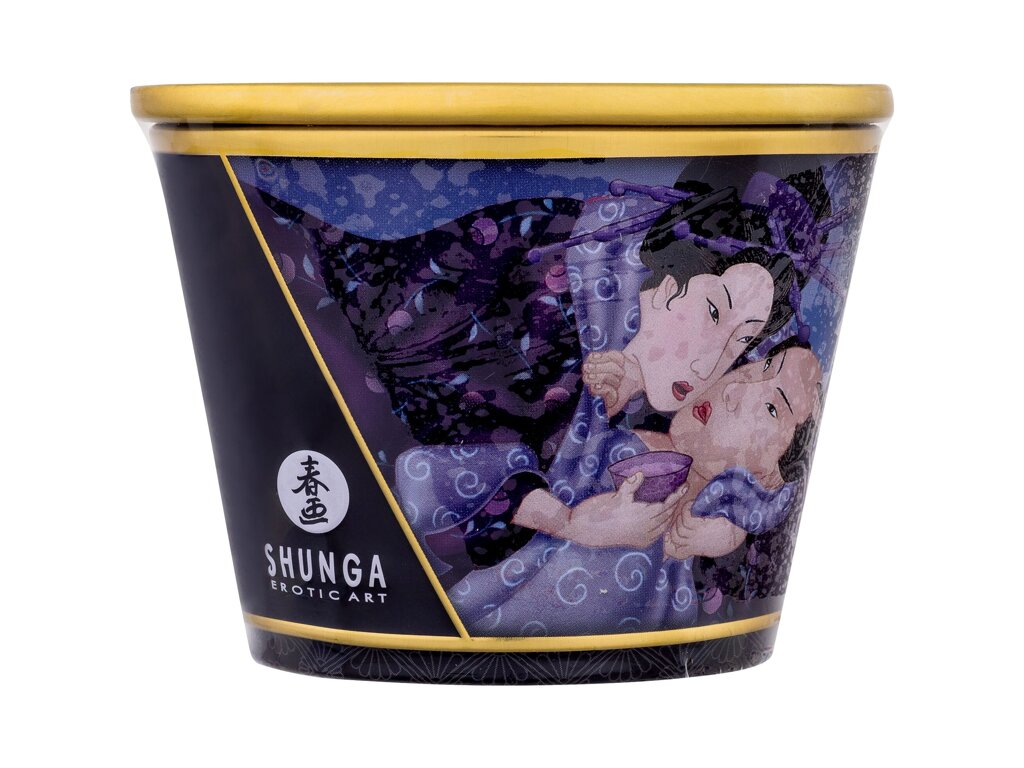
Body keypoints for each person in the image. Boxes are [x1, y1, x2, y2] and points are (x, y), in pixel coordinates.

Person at [407, 341, 822, 637]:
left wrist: (715, 535)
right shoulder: (610, 436)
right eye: (760, 367)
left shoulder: (714, 512)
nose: (732, 389)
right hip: (503, 613)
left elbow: (736, 526)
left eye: (772, 407)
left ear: (772, 475)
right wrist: (571, 522)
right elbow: (510, 479)